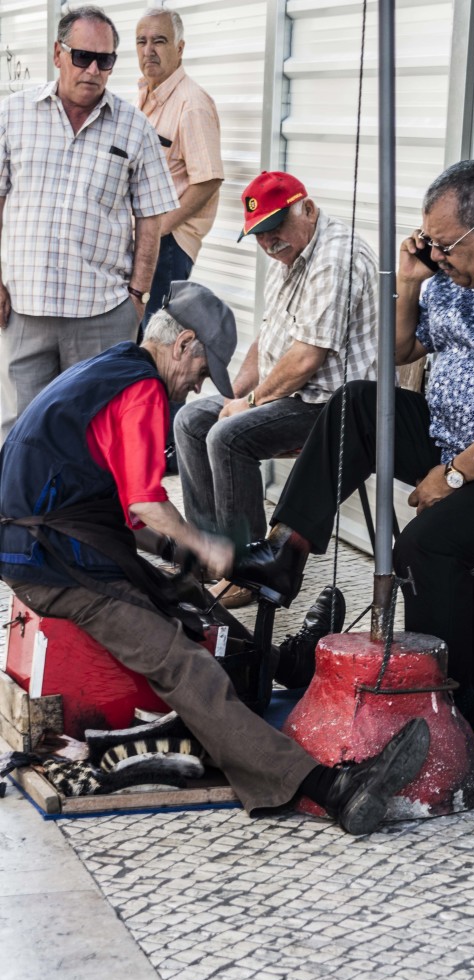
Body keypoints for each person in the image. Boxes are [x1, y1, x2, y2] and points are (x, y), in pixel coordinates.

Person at [0, 281, 429, 835]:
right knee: (183, 662)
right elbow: (146, 504)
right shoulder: (140, 389)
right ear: (182, 343)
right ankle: (328, 788)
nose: (199, 384)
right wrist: (206, 547)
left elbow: (127, 521)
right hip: (51, 562)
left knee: (185, 598)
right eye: (203, 369)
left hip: (50, 547)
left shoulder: (112, 368)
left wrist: (188, 559)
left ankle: (282, 663)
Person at [233, 160, 474, 734]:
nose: (438, 252)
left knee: (426, 547)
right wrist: (410, 281)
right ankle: (286, 552)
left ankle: (449, 715)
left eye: (445, 242)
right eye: (428, 239)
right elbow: (403, 349)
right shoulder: (457, 274)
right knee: (358, 404)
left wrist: (453, 475)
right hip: (454, 434)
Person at [174, 169, 378, 608]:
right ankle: (214, 554)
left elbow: (306, 359)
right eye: (259, 234)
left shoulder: (335, 258)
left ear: (307, 208)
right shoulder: (289, 256)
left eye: (274, 228)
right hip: (295, 395)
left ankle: (247, 571)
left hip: (335, 406)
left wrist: (247, 404)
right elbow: (266, 340)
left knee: (228, 436)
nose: (269, 243)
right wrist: (236, 393)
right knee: (193, 419)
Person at [0, 4, 178, 442]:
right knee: (23, 433)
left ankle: (87, 514)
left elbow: (151, 219)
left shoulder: (134, 128)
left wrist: (137, 296)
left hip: (101, 311)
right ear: (58, 54)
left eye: (106, 60)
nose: (94, 69)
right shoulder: (13, 115)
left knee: (98, 435)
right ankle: (22, 513)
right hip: (26, 309)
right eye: (83, 57)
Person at [135, 6, 223, 323]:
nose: (149, 51)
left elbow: (208, 179)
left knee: (154, 341)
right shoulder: (145, 97)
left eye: (159, 41)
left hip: (168, 245)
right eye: (141, 42)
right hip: (148, 238)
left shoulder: (192, 103)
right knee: (135, 338)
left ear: (180, 48)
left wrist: (161, 228)